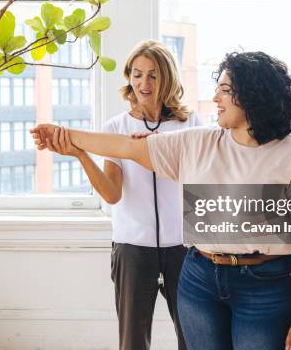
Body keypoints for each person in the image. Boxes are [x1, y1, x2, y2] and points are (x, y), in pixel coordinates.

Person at [31, 51, 291, 350]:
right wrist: (65, 135)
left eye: (225, 91)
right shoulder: (197, 142)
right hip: (200, 279)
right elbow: (122, 146)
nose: (216, 98)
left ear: (254, 96)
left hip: (266, 285)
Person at [46, 40, 201, 350]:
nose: (144, 83)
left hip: (182, 247)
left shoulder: (190, 124)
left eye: (153, 75)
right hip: (133, 248)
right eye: (137, 74)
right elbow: (112, 194)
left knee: (194, 336)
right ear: (129, 77)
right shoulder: (115, 127)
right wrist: (81, 154)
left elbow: (201, 183)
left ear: (167, 78)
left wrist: (155, 149)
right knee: (132, 341)